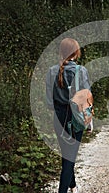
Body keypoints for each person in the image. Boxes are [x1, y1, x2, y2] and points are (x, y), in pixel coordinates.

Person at [46, 38, 91, 193]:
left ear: (61, 52)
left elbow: (49, 103)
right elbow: (85, 99)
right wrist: (88, 121)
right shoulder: (81, 71)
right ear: (76, 52)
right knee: (69, 159)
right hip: (75, 119)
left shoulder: (51, 71)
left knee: (66, 155)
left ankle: (72, 186)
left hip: (58, 118)